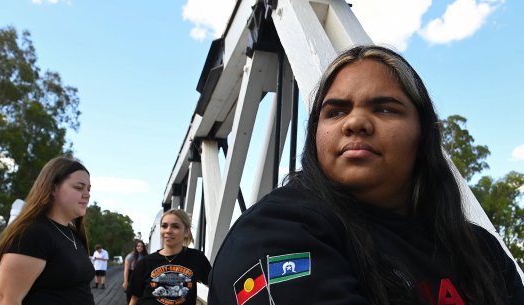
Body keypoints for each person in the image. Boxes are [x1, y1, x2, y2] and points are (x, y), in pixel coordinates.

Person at [207, 45, 524, 305]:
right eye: (336, 112)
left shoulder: (482, 251)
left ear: (424, 135)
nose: (355, 122)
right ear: (316, 135)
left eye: (385, 108)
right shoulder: (274, 235)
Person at [0, 156, 94, 305]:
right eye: (79, 187)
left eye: (88, 189)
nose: (87, 194)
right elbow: (7, 300)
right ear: (53, 188)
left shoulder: (72, 234)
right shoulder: (32, 233)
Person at [128, 209, 211, 305]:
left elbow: (216, 286)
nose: (168, 230)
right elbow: (134, 299)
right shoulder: (145, 262)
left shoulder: (196, 258)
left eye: (175, 226)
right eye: (164, 226)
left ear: (186, 231)